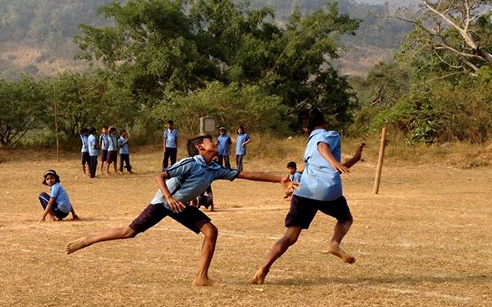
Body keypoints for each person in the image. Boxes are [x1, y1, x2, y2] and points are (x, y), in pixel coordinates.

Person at [66, 134, 296, 286]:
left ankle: (201, 277)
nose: (215, 144)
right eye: (210, 142)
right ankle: (87, 240)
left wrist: (278, 180)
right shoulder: (190, 163)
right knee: (129, 232)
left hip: (181, 206)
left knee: (211, 231)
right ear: (200, 147)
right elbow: (160, 175)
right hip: (163, 203)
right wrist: (168, 197)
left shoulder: (214, 168)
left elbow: (245, 174)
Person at [251, 108, 366, 285]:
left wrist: (354, 159)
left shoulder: (309, 142)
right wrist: (334, 161)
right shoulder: (331, 135)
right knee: (346, 219)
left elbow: (326, 164)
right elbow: (323, 147)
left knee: (290, 236)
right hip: (328, 191)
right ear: (325, 121)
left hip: (305, 190)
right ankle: (334, 243)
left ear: (305, 130)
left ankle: (263, 268)